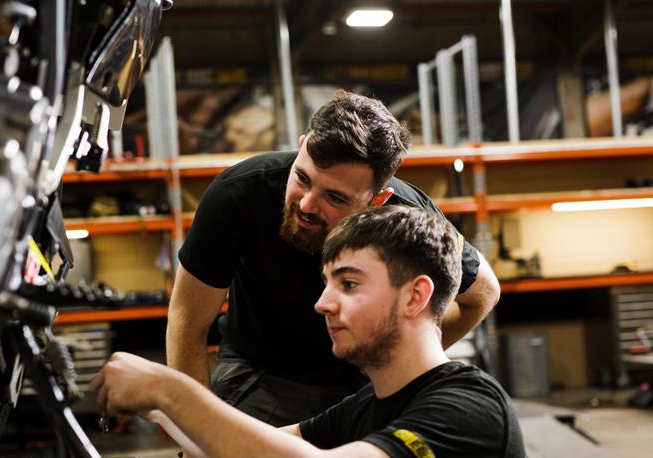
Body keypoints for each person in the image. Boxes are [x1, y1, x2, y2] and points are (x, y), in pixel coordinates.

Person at [90, 206, 529, 458]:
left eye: (349, 284)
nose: (322, 303)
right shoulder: (368, 406)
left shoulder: (470, 408)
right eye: (327, 283)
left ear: (416, 295)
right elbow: (252, 456)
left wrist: (168, 389)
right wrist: (155, 408)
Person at [167, 90, 500, 431]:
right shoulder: (237, 196)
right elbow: (187, 321)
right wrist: (194, 442)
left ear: (378, 200)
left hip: (361, 379)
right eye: (303, 178)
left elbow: (483, 294)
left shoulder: (407, 216)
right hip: (259, 373)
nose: (308, 204)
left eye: (335, 197)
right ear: (301, 146)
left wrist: (396, 361)